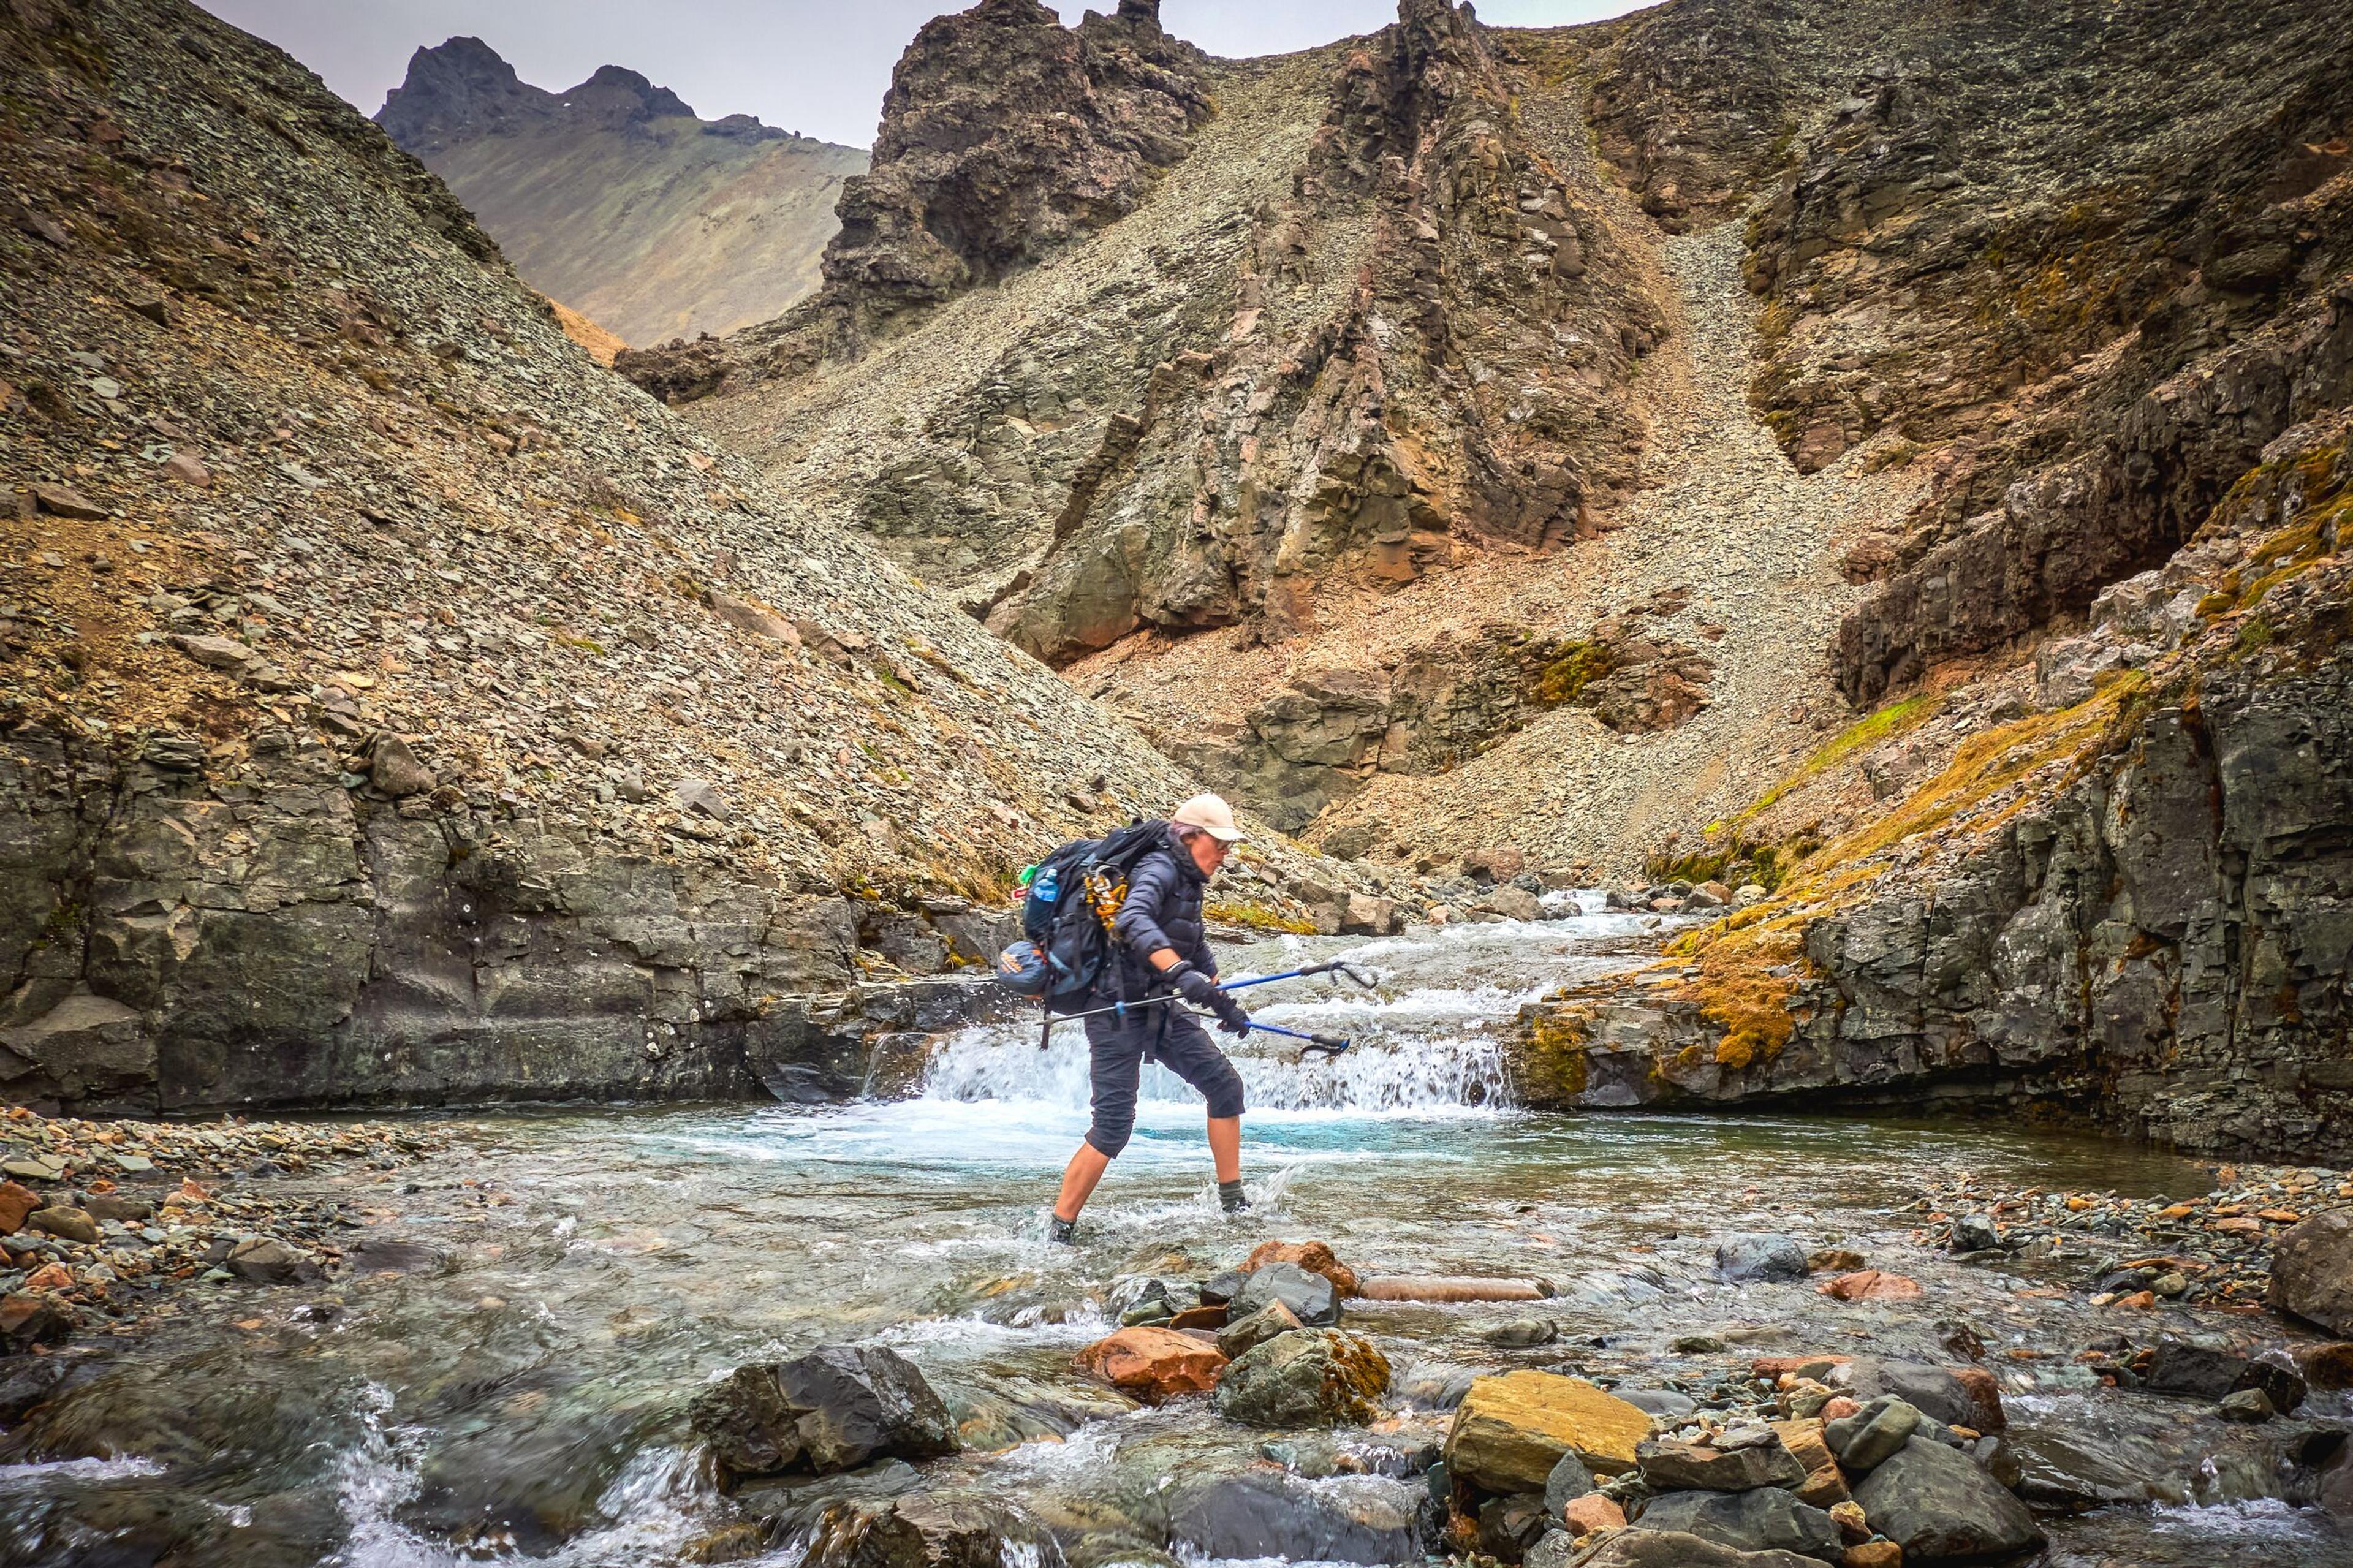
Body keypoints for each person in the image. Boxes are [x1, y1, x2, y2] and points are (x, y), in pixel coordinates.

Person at [1050, 793, 1253, 1244]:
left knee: (1224, 1086)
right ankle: (1059, 1229)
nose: (1224, 854)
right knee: (1113, 1125)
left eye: (1227, 846)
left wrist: (1222, 1003)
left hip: (1156, 1005)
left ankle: (1234, 1205)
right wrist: (1181, 972)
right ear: (1192, 836)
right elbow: (1133, 918)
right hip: (1116, 1009)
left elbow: (1193, 942)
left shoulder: (1188, 879)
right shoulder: (1159, 868)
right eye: (1219, 844)